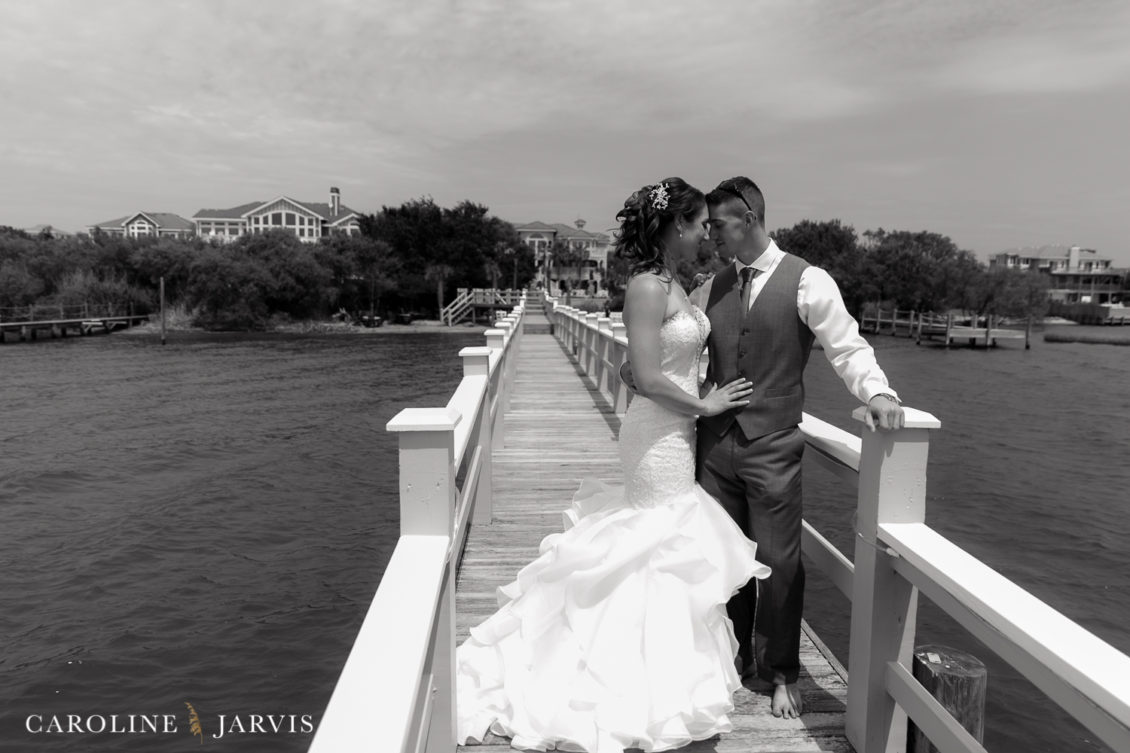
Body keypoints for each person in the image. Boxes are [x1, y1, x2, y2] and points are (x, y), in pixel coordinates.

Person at [455, 178, 771, 753]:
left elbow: (643, 367)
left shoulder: (679, 283)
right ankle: (637, 677)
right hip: (658, 434)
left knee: (667, 544)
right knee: (659, 537)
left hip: (676, 430)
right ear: (677, 225)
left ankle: (667, 668)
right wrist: (707, 403)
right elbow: (648, 378)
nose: (707, 232)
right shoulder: (647, 287)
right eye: (701, 223)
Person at [694, 176, 903, 718]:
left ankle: (781, 671)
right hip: (714, 447)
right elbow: (680, 344)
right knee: (725, 559)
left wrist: (877, 391)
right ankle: (734, 657)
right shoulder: (712, 284)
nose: (710, 234)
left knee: (781, 562)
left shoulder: (808, 281)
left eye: (717, 224)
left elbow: (846, 345)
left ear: (749, 217)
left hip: (774, 444)